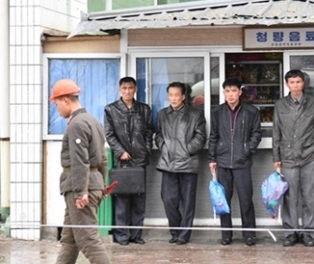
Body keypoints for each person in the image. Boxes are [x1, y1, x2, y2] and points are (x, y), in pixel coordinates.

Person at [50, 79, 111, 264]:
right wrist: (102, 185)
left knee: (87, 240)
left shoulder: (77, 124)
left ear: (66, 100)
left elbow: (79, 161)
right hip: (91, 183)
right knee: (69, 239)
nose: (57, 108)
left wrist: (80, 192)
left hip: (80, 187)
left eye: (57, 103)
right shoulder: (93, 121)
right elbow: (103, 158)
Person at [272, 69, 314, 247]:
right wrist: (276, 157)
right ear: (287, 84)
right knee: (289, 197)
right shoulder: (280, 105)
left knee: (309, 197)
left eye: (298, 82)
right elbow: (276, 132)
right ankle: (290, 232)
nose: (295, 85)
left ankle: (309, 233)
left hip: (309, 156)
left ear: (303, 83)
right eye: (292, 82)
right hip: (287, 157)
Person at [208, 78, 262, 246]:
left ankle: (249, 234)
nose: (230, 94)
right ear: (224, 93)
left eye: (234, 91)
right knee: (223, 201)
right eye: (227, 91)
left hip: (242, 162)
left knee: (246, 200)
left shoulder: (251, 111)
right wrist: (212, 158)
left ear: (240, 92)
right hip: (223, 162)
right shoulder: (217, 112)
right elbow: (214, 136)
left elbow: (256, 134)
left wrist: (247, 149)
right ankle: (226, 235)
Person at [155, 82, 207, 245]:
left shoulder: (195, 114)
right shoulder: (162, 114)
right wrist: (163, 147)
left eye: (177, 95)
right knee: (168, 199)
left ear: (183, 96)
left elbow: (200, 137)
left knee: (188, 201)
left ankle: (184, 234)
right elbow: (158, 134)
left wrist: (186, 150)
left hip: (188, 163)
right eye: (171, 95)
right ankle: (175, 230)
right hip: (167, 162)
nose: (174, 98)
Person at [104, 77, 153, 245]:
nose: (127, 91)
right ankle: (122, 235)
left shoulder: (144, 109)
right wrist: (120, 151)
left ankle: (136, 235)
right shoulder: (111, 109)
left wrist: (145, 149)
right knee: (122, 198)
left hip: (139, 159)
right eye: (124, 88)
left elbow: (148, 132)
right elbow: (109, 134)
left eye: (130, 88)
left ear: (136, 89)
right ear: (120, 89)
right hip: (122, 161)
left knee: (139, 199)